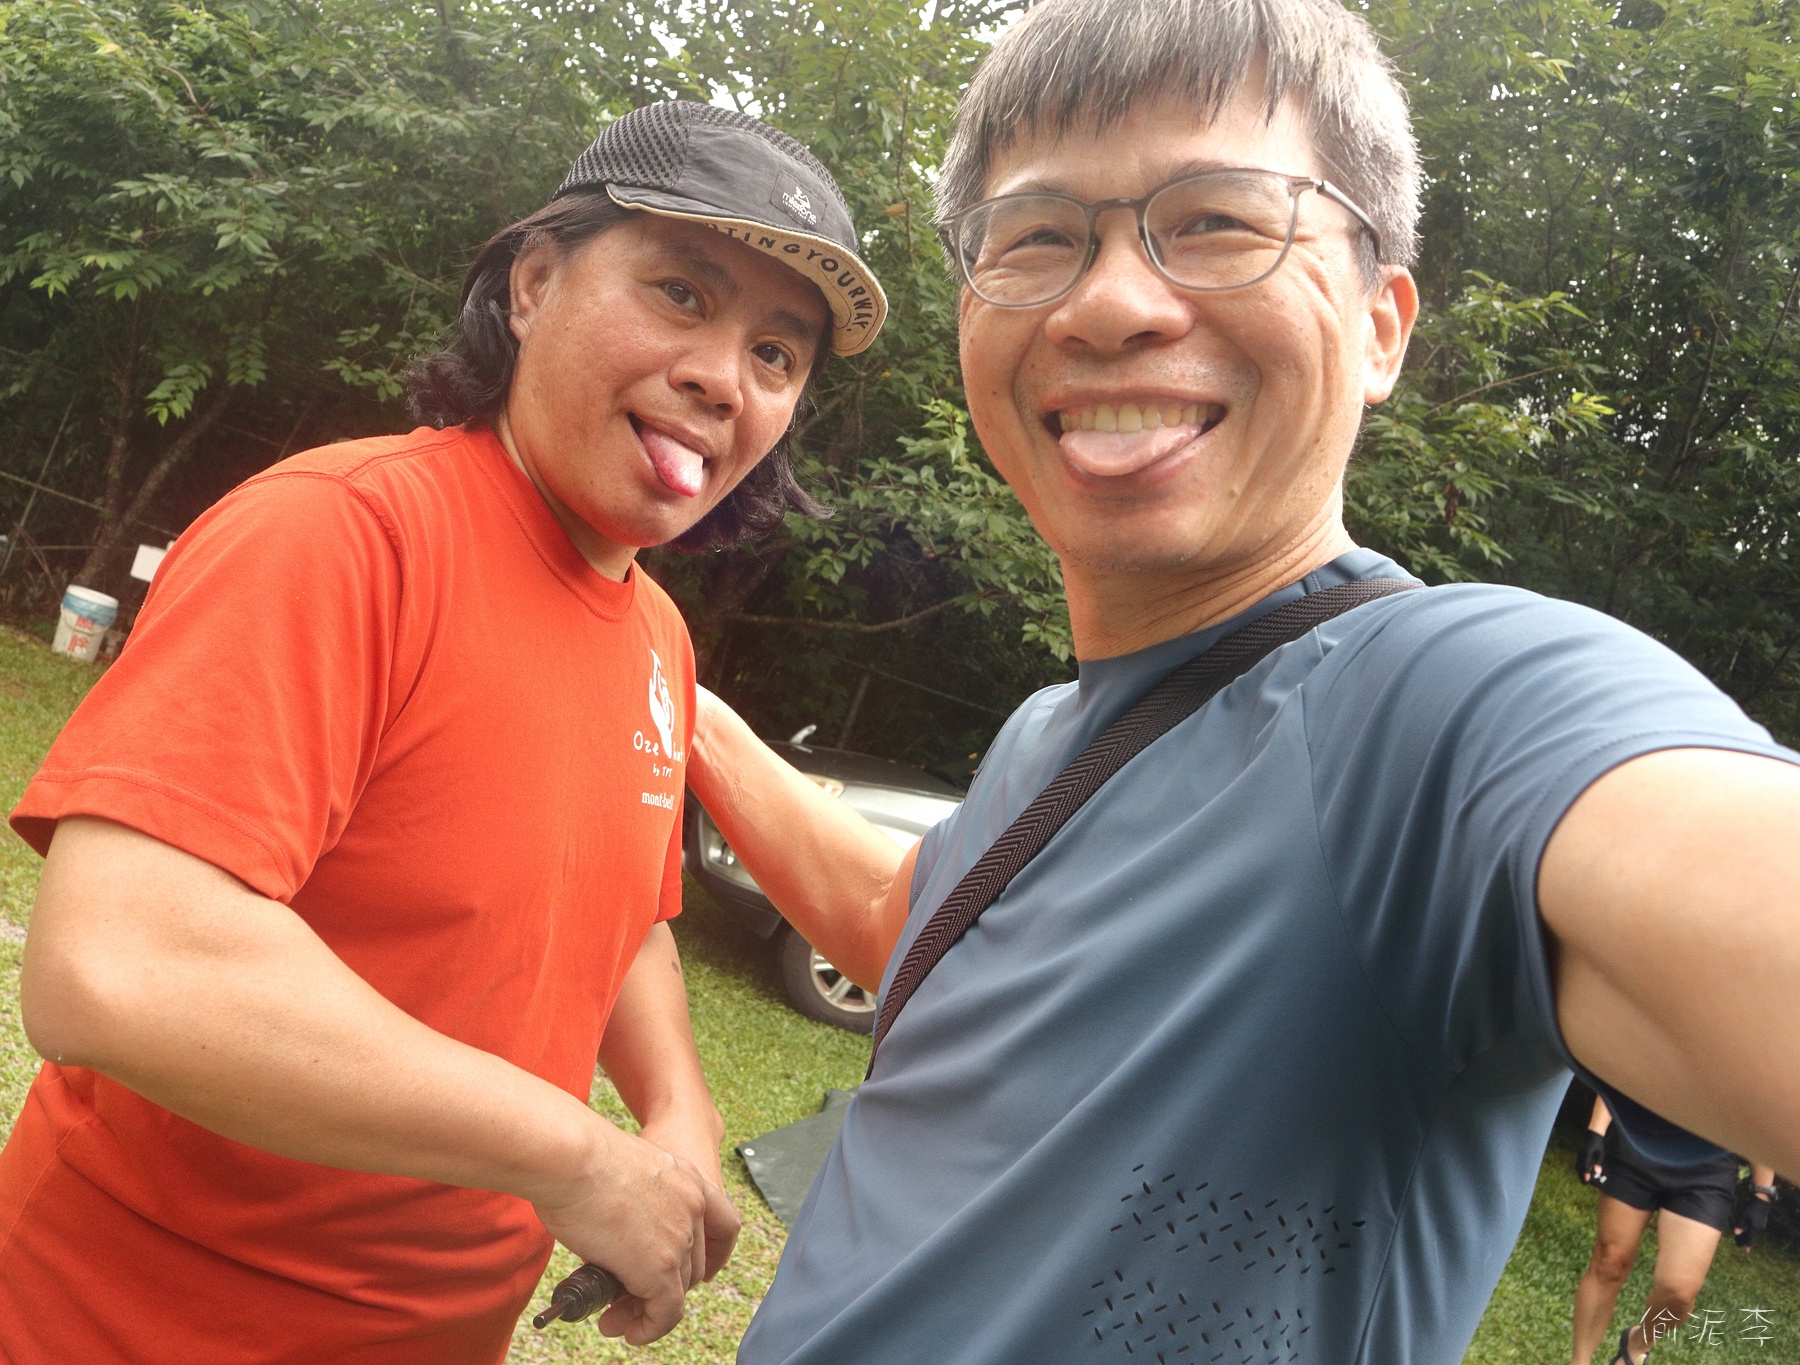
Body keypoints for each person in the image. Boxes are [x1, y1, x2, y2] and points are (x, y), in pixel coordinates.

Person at [684, 1, 1800, 1361]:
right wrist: (673, 690)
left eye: (1215, 219)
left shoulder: (1438, 712)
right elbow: (899, 922)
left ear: (1381, 327)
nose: (1106, 302)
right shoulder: (1048, 735)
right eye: (1035, 237)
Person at [0, 101, 884, 1365]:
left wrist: (678, 1113)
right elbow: (122, 964)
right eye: (680, 294)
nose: (723, 377)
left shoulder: (654, 638)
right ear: (533, 285)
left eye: (775, 353)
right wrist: (572, 1155)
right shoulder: (341, 535)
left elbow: (617, 920)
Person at [1570, 1096, 1777, 1364]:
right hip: (1641, 1139)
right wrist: (1597, 1130)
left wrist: (1762, 1193)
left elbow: (1761, 1105)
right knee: (1609, 1261)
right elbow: (1633, 1070)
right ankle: (1580, 1360)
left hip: (1710, 1166)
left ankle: (1635, 1345)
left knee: (1680, 1291)